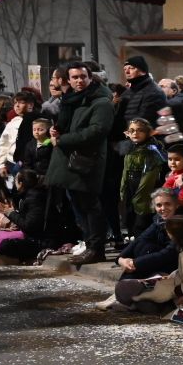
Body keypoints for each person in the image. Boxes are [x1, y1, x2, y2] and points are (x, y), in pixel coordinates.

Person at [47, 62, 115, 263]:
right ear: (68, 80)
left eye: (83, 76)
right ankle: (89, 244)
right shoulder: (72, 99)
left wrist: (62, 140)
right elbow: (70, 125)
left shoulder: (100, 101)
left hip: (86, 161)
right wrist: (56, 131)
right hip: (70, 160)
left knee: (89, 206)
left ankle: (96, 248)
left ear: (90, 77)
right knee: (79, 205)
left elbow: (97, 131)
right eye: (74, 77)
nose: (79, 80)